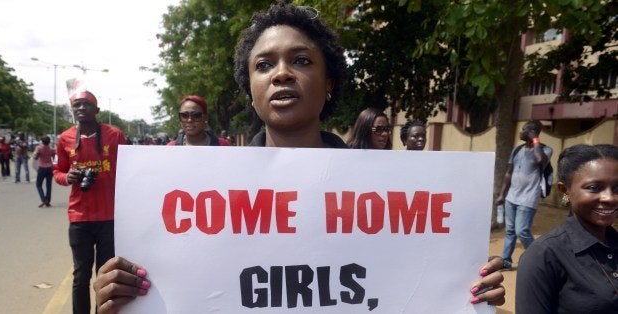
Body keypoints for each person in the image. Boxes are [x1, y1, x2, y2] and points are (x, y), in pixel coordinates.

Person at [93, 2, 505, 312]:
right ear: (251, 91)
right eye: (264, 65)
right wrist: (122, 300)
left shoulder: (386, 187)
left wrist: (466, 286)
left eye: (301, 60)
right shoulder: (198, 188)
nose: (282, 73)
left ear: (329, 84)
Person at [516, 144, 618, 313]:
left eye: (617, 187)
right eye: (594, 188)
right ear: (565, 191)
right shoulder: (543, 255)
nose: (610, 198)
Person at [53, 90, 126, 314]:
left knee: (105, 274)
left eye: (86, 104)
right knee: (81, 275)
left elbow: (130, 167)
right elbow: (57, 171)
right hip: (79, 218)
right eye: (76, 105)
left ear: (97, 110)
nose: (81, 108)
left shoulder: (114, 135)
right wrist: (68, 178)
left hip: (109, 217)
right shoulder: (64, 138)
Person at [496, 120, 553, 269]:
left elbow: (540, 160)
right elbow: (508, 173)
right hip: (511, 197)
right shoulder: (516, 150)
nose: (521, 132)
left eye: (524, 130)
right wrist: (502, 194)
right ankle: (506, 261)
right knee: (509, 231)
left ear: (533, 132)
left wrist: (535, 140)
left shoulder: (545, 150)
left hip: (528, 198)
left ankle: (540, 258)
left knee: (521, 230)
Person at [33, 135, 55, 207]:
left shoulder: (39, 148)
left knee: (38, 185)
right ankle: (48, 201)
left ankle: (44, 199)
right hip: (50, 168)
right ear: (49, 142)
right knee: (49, 185)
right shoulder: (51, 149)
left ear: (42, 142)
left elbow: (35, 158)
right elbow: (54, 158)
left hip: (42, 168)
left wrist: (36, 155)